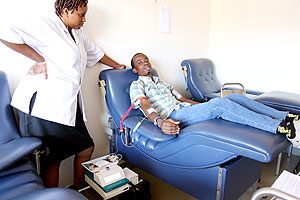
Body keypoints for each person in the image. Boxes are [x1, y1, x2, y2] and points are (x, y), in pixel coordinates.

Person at [0, 0, 126, 189]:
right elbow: (5, 32)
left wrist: (116, 65)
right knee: (52, 160)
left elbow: (95, 53)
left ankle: (77, 191)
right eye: (81, 15)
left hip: (66, 104)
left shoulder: (77, 32)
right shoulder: (45, 23)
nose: (84, 19)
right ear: (67, 10)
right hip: (43, 105)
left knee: (86, 148)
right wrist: (39, 60)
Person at [129, 53, 300, 146]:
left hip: (184, 108)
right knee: (219, 104)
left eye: (146, 60)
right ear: (135, 70)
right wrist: (159, 122)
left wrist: (206, 105)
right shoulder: (136, 85)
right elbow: (144, 105)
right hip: (175, 115)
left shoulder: (162, 82)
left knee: (232, 97)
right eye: (139, 62)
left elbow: (182, 98)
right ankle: (279, 127)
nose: (145, 63)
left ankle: (285, 115)